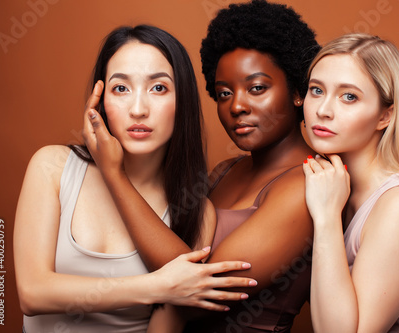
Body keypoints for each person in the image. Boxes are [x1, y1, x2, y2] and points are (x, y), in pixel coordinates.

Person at [82, 1, 321, 332]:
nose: (236, 106)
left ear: (297, 90)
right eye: (223, 93)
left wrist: (113, 174)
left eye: (256, 88)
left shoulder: (309, 184)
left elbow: (196, 290)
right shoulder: (226, 171)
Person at [13, 25, 257, 333]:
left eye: (158, 88)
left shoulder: (196, 212)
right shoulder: (52, 166)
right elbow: (32, 293)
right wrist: (157, 285)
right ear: (99, 102)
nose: (138, 110)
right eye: (121, 89)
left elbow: (166, 322)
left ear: (182, 102)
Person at [302, 33, 399, 332]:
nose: (323, 110)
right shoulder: (332, 185)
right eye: (316, 90)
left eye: (349, 96)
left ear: (385, 115)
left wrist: (326, 219)